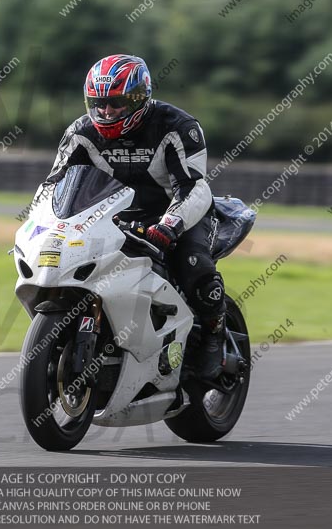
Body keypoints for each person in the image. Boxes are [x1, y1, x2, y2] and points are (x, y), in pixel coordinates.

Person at [46, 54, 226, 380]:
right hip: (115, 217)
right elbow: (54, 186)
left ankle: (215, 334)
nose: (106, 111)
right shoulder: (80, 133)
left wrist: (169, 226)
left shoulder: (178, 126)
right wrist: (47, 223)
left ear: (139, 98)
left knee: (193, 266)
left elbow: (193, 188)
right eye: (98, 103)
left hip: (179, 214)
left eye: (115, 103)